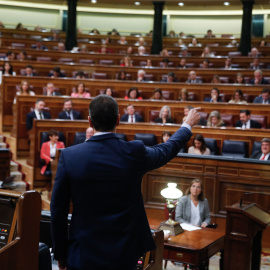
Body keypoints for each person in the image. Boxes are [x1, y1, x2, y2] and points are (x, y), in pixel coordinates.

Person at [51, 95, 200, 270]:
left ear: (90, 122)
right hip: (124, 253)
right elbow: (166, 150)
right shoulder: (134, 152)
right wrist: (187, 125)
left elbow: (58, 211)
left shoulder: (69, 157)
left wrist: (60, 254)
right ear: (118, 120)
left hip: (83, 252)